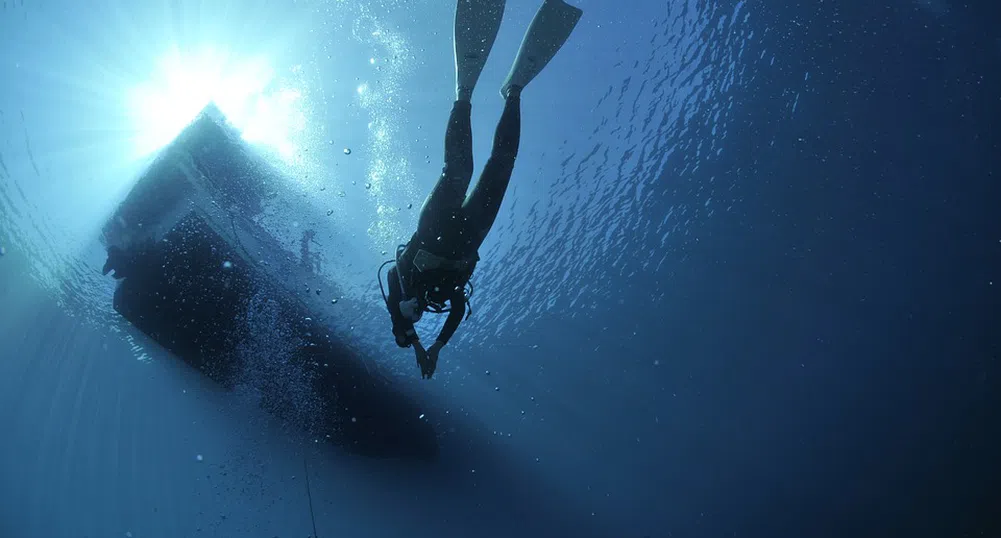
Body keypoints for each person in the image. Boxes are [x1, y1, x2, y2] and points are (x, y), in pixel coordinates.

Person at [383, 0, 583, 379]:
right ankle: (515, 92)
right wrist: (434, 348)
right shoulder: (441, 298)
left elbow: (393, 281)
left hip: (433, 228)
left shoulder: (403, 284)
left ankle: (464, 94)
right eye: (417, 318)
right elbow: (456, 312)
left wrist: (401, 312)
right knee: (501, 167)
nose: (418, 313)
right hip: (470, 236)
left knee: (460, 170)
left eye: (411, 319)